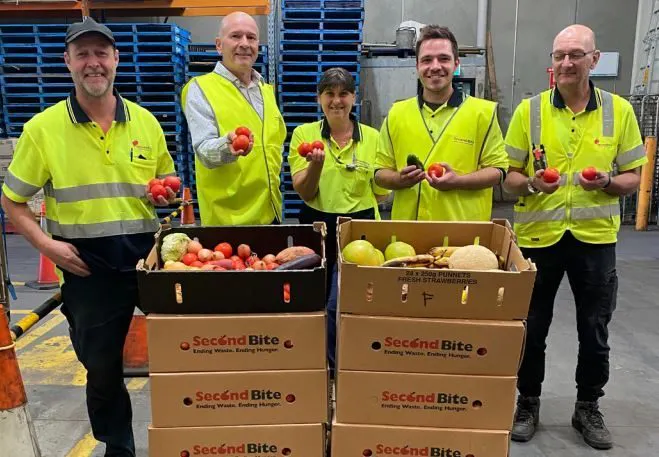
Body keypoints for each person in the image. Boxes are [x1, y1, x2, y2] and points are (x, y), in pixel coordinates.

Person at [0, 18, 177, 457]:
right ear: (68, 62)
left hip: (147, 259)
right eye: (83, 54)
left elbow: (166, 182)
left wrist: (166, 194)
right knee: (101, 370)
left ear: (116, 59)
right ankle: (119, 448)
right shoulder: (43, 129)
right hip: (87, 267)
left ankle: (188, 436)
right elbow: (12, 202)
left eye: (101, 53)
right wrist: (47, 246)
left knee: (186, 348)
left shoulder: (146, 122)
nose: (93, 63)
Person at [503, 24, 646, 450]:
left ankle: (588, 406)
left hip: (594, 240)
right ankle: (527, 403)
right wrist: (531, 184)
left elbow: (634, 176)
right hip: (538, 238)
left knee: (594, 328)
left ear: (594, 60)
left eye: (576, 55)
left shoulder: (619, 111)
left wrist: (608, 182)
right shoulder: (528, 111)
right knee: (531, 327)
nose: (566, 62)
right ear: (552, 61)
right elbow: (508, 178)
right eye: (560, 55)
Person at [288, 67, 390, 374]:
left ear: (354, 98)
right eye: (329, 94)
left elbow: (381, 193)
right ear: (319, 98)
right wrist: (316, 167)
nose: (336, 101)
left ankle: (345, 367)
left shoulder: (373, 138)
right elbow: (305, 192)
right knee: (315, 301)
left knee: (346, 302)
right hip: (316, 225)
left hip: (359, 227)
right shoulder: (304, 135)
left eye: (344, 93)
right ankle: (314, 365)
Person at [374, 25, 508, 221]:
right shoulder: (397, 113)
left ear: (456, 64)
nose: (435, 66)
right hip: (408, 232)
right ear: (417, 66)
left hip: (463, 232)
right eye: (427, 60)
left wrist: (458, 181)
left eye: (444, 58)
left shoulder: (483, 113)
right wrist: (399, 179)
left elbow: (499, 170)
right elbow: (379, 172)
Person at [182, 11, 286, 225]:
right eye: (236, 36)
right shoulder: (200, 88)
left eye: (251, 37)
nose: (245, 43)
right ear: (219, 45)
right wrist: (226, 147)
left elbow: (274, 147)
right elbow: (203, 150)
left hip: (270, 214)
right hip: (227, 220)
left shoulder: (266, 90)